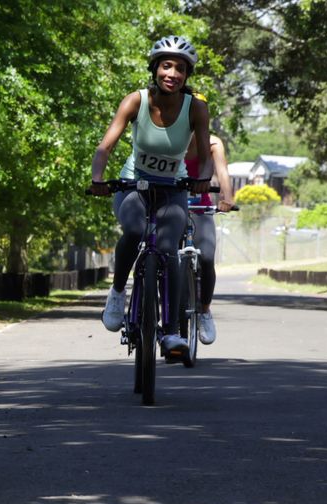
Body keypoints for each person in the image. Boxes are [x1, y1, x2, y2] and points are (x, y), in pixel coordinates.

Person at [90, 35, 211, 359]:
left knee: (169, 248)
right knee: (133, 230)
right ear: (155, 68)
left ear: (187, 75)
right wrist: (98, 178)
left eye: (180, 69)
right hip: (135, 183)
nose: (172, 73)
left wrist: (203, 180)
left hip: (173, 187)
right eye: (166, 66)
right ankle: (117, 294)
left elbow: (206, 150)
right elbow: (106, 145)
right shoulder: (136, 101)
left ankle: (171, 333)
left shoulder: (196, 107)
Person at [184, 129, 236, 345]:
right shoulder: (169, 140)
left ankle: (204, 311)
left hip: (198, 206)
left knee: (206, 256)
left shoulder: (214, 143)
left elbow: (222, 171)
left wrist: (227, 196)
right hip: (170, 205)